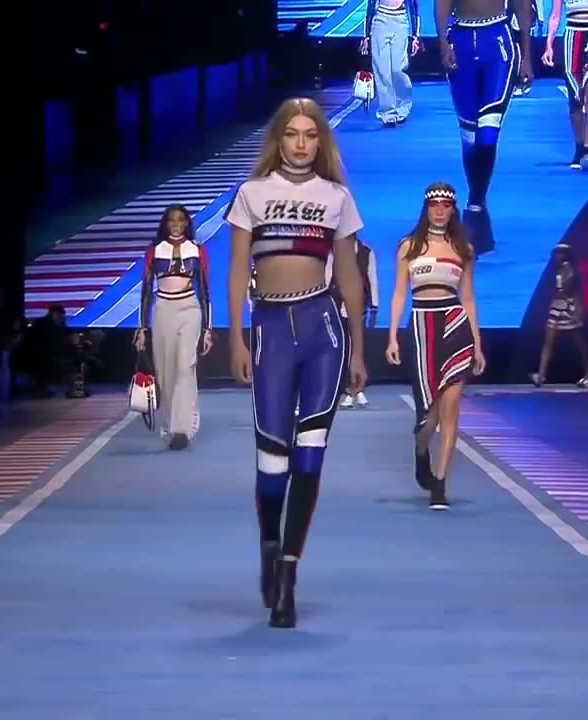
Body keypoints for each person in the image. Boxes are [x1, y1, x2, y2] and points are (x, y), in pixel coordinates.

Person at [225, 97, 369, 629]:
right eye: (293, 134)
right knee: (272, 459)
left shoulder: (336, 197)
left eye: (311, 134)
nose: (302, 143)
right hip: (269, 330)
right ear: (279, 139)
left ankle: (288, 572)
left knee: (310, 456)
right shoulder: (252, 194)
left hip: (323, 330)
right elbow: (237, 268)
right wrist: (236, 339)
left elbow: (349, 276)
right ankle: (270, 542)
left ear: (320, 141)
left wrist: (359, 347)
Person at [385, 183, 485, 511]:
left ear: (453, 209)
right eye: (434, 204)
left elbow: (468, 298)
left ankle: (440, 483)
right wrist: (391, 336)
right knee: (428, 416)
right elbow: (400, 293)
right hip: (421, 327)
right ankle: (421, 451)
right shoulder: (409, 246)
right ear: (426, 208)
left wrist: (477, 345)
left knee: (451, 408)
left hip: (455, 326)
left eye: (445, 204)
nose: (439, 210)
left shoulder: (463, 248)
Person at [436, 0, 534, 255]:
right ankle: (478, 207)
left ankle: (475, 205)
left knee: (488, 134)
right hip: (461, 43)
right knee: (469, 139)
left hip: (498, 43)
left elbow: (522, 6)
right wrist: (443, 43)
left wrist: (527, 56)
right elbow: (442, 3)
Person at [134, 205, 214, 450]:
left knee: (185, 367)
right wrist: (142, 328)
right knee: (165, 371)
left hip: (189, 309)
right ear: (166, 223)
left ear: (187, 223)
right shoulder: (155, 251)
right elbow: (145, 292)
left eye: (181, 220)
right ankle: (169, 425)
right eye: (172, 220)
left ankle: (184, 429)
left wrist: (207, 329)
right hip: (163, 310)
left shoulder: (197, 250)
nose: (176, 224)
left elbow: (205, 291)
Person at [541, 0, 588, 170]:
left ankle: (587, 150)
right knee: (575, 99)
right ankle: (580, 146)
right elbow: (555, 16)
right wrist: (549, 45)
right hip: (572, 40)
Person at [325, 236, 380, 408]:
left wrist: (374, 306)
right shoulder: (332, 251)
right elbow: (327, 276)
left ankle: (358, 389)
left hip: (358, 307)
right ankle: (345, 389)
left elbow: (372, 279)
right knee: (341, 349)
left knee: (359, 348)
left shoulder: (367, 252)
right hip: (336, 306)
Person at [530, 243, 588, 387]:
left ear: (566, 254)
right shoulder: (561, 269)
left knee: (579, 344)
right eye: (557, 253)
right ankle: (541, 375)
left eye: (560, 253)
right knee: (549, 342)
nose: (557, 256)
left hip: (567, 307)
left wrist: (577, 311)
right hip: (559, 306)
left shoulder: (570, 269)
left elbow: (569, 290)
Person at [361, 0, 423, 127]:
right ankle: (387, 112)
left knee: (397, 69)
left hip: (400, 20)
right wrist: (366, 35)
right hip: (380, 19)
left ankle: (402, 106)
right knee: (382, 69)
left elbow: (413, 5)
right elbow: (371, 4)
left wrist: (416, 36)